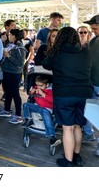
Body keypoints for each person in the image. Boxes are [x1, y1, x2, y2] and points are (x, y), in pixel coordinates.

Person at [43, 27, 93, 167]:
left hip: (64, 94)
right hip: (84, 93)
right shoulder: (86, 52)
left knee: (67, 128)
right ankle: (77, 156)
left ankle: (68, 161)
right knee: (78, 126)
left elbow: (45, 64)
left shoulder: (57, 53)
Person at [0, 29, 27, 125]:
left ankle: (18, 115)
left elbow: (20, 63)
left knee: (15, 93)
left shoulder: (20, 48)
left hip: (14, 73)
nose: (9, 36)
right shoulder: (10, 45)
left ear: (15, 36)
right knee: (7, 91)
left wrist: (8, 56)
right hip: (6, 71)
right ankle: (7, 109)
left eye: (10, 35)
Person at [22, 75, 61, 147]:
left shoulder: (52, 90)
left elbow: (53, 101)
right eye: (37, 85)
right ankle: (28, 119)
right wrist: (31, 92)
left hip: (46, 108)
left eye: (41, 86)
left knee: (47, 118)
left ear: (47, 84)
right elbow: (31, 94)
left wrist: (43, 94)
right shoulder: (37, 87)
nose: (38, 87)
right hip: (37, 106)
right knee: (26, 105)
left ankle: (52, 137)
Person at [82, 15, 99, 156]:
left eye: (95, 26)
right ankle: (88, 133)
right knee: (88, 110)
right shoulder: (93, 40)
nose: (92, 29)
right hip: (90, 83)